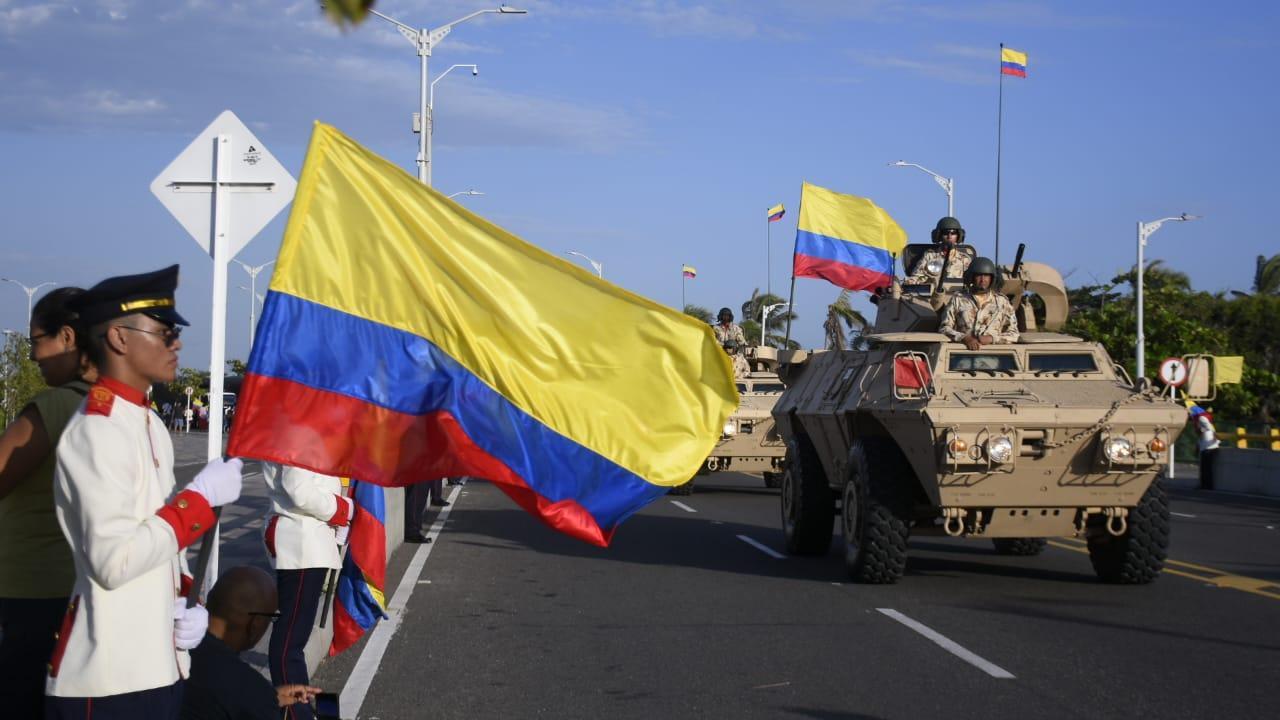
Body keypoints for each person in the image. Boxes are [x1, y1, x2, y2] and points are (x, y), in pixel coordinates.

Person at [47, 265, 245, 719]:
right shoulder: (96, 431)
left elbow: (156, 539)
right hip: (109, 677)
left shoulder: (148, 421)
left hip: (157, 664)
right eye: (164, 331)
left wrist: (181, 600)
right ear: (118, 338)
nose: (176, 343)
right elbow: (114, 560)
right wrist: (196, 500)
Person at [0, 287, 96, 719]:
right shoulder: (109, 408)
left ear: (69, 337)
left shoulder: (55, 405)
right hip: (73, 593)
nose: (35, 355)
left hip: (24, 591)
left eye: (37, 340)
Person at [261, 463, 352, 720]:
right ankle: (295, 711)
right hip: (301, 540)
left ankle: (299, 706)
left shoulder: (300, 425)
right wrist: (340, 509)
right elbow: (297, 488)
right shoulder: (297, 426)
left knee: (294, 637)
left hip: (307, 539)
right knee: (290, 638)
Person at [180, 566, 321, 720]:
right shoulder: (250, 690)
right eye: (272, 617)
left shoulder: (176, 650)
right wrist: (264, 699)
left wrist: (270, 697)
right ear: (256, 624)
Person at [938, 256, 1019, 349]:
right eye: (979, 275)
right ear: (972, 277)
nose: (982, 280)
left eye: (986, 275)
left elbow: (1014, 334)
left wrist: (992, 338)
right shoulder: (958, 299)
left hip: (995, 356)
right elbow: (944, 328)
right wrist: (964, 338)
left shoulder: (1002, 302)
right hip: (963, 354)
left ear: (992, 278)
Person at [905, 216, 973, 286]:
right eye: (945, 233)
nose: (949, 236)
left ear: (958, 236)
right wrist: (910, 282)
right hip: (933, 295)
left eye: (953, 233)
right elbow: (917, 277)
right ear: (939, 235)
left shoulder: (964, 259)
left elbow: (971, 282)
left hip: (957, 295)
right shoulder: (930, 256)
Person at [712, 307, 750, 376]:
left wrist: (740, 342)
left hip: (733, 352)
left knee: (741, 360)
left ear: (730, 317)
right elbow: (712, 341)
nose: (725, 317)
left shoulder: (736, 328)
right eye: (724, 315)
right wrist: (722, 345)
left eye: (727, 315)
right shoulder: (715, 328)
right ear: (720, 316)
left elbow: (741, 341)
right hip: (720, 353)